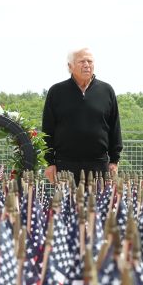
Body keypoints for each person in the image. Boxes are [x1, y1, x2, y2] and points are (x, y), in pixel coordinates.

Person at [41, 48, 122, 184]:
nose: (86, 65)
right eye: (81, 61)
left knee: (98, 205)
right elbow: (47, 130)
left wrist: (114, 160)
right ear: (70, 66)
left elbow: (115, 127)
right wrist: (49, 162)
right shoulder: (56, 92)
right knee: (67, 205)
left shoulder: (106, 91)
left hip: (99, 165)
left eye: (90, 61)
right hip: (65, 165)